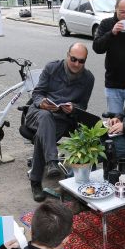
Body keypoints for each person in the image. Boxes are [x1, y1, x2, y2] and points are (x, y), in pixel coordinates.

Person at [25, 43, 95, 202]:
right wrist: (42, 102)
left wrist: (74, 108)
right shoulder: (52, 68)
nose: (77, 64)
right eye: (74, 59)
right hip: (38, 113)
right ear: (67, 55)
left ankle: (35, 181)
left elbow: (83, 106)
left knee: (42, 135)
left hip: (62, 118)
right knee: (45, 117)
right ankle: (52, 162)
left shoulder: (88, 78)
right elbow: (37, 93)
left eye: (81, 61)